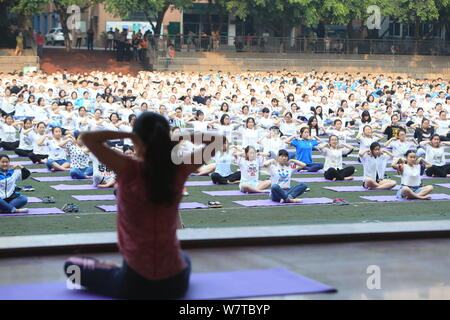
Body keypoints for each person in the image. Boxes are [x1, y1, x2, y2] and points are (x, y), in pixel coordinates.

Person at [64, 112, 224, 299]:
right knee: (184, 258)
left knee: (72, 266)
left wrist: (130, 135)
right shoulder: (179, 169)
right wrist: (174, 137)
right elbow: (218, 141)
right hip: (175, 284)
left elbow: (88, 138)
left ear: (137, 140)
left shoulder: (127, 168)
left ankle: (114, 269)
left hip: (134, 284)